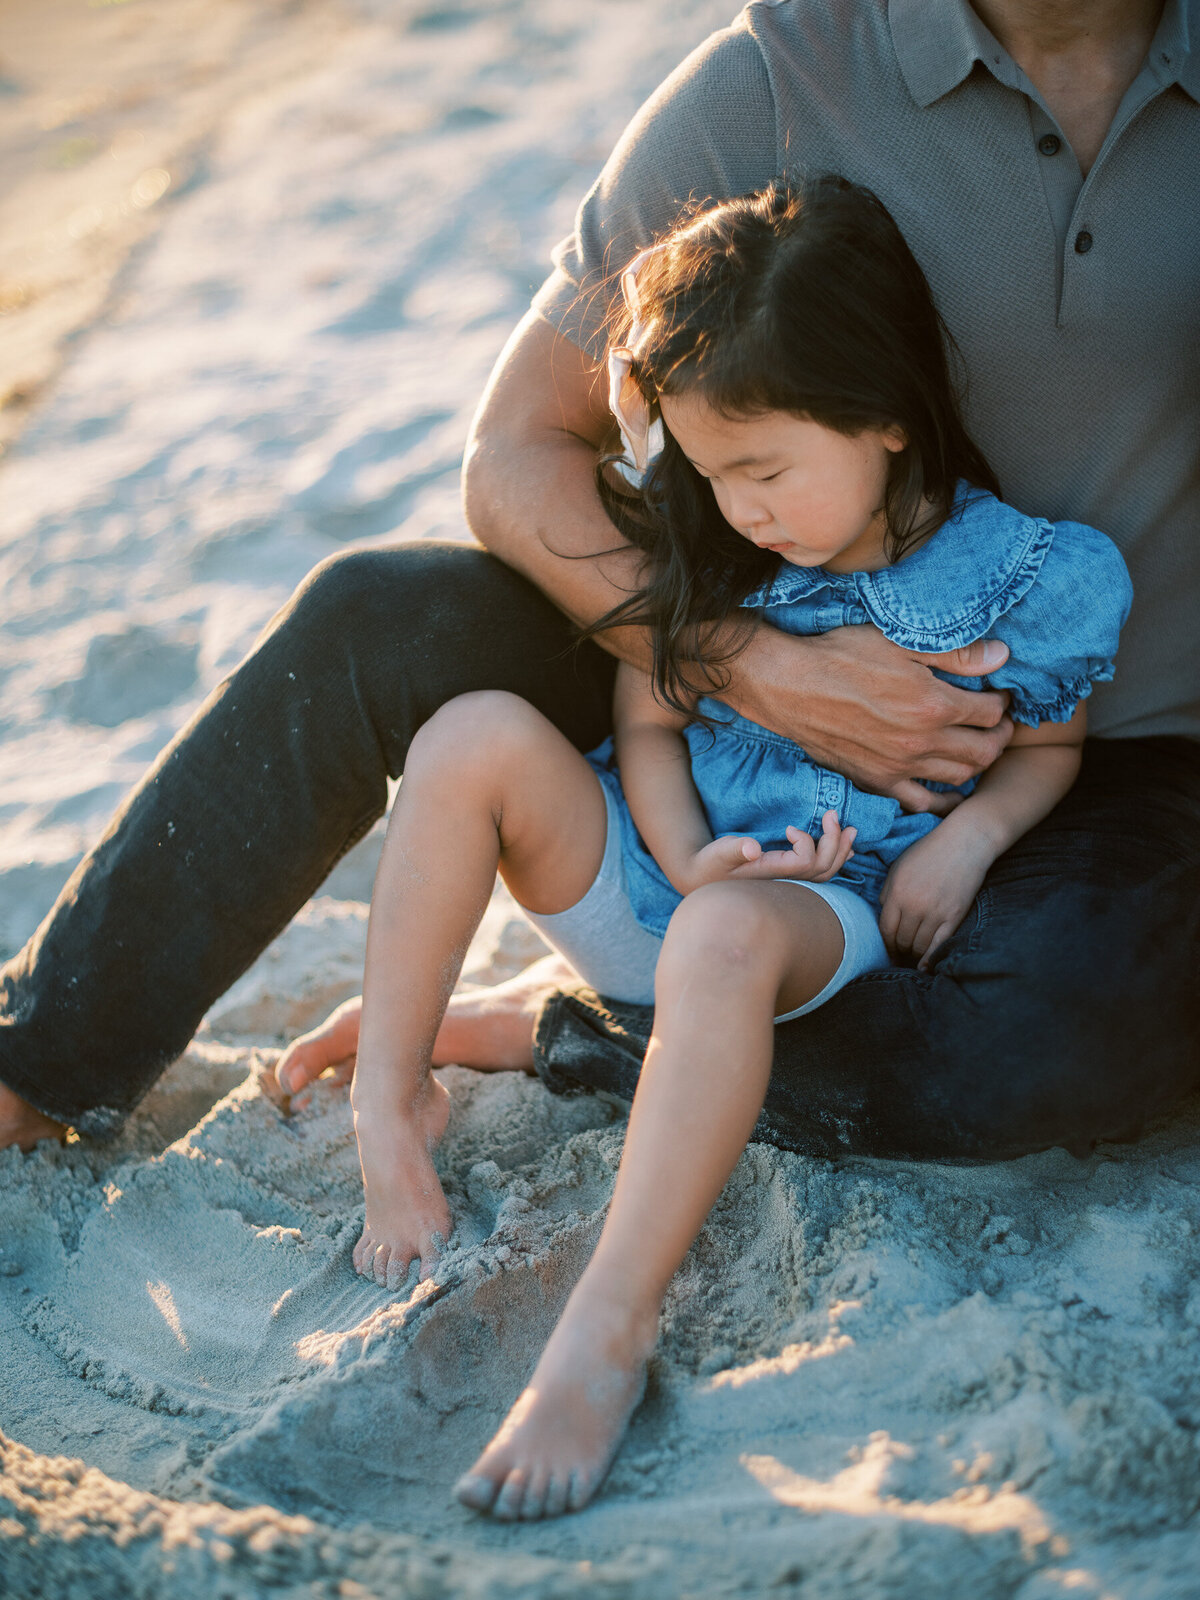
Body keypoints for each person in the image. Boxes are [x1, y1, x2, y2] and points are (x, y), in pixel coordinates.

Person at [1, 0, 1197, 1164]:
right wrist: (757, 666)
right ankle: (34, 1065)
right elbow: (514, 452)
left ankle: (572, 1032)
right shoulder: (781, 74)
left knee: (1063, 1033)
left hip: (1117, 748)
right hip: (741, 652)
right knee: (371, 621)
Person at [345, 176, 1129, 1521]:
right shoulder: (712, 547)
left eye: (764, 470)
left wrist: (971, 844)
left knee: (719, 940)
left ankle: (607, 1327)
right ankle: (388, 1095)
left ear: (886, 419)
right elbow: (648, 727)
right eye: (711, 472)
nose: (739, 505)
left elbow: (1047, 751)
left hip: (806, 920)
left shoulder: (1023, 576)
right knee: (473, 732)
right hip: (664, 875)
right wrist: (685, 848)